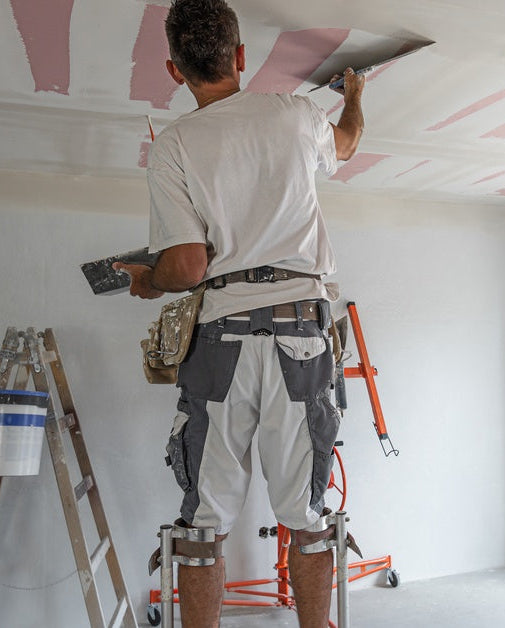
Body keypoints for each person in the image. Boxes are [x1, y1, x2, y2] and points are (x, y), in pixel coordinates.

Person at [114, 1, 364, 626]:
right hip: (300, 333)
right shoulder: (296, 113)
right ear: (241, 57)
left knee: (203, 526)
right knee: (306, 519)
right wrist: (353, 95)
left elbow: (189, 266)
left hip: (221, 340)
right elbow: (348, 143)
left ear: (175, 71)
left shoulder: (173, 145)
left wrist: (150, 281)